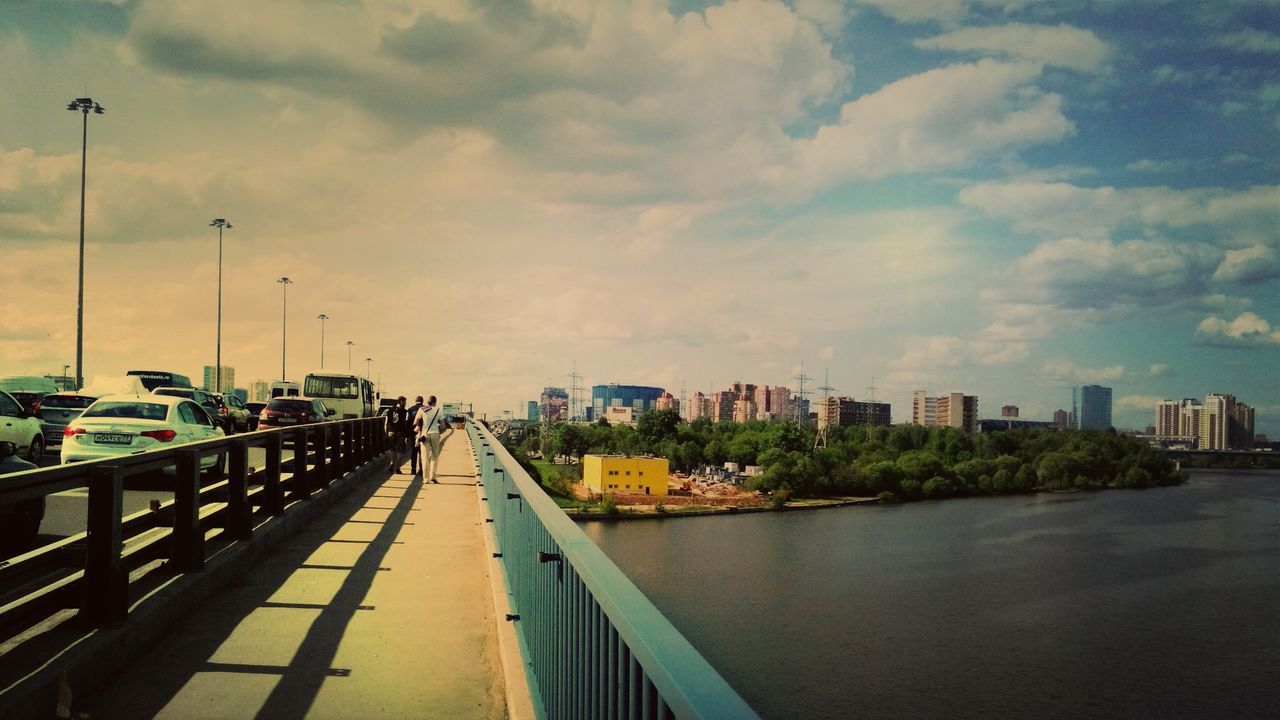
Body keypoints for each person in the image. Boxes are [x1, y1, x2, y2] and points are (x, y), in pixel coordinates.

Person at [413, 395, 446, 482]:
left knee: (425, 457)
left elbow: (415, 422)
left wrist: (421, 428)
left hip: (424, 435)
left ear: (427, 402)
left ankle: (426, 479)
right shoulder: (439, 410)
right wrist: (438, 432)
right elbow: (443, 426)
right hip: (435, 434)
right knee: (435, 456)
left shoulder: (422, 409)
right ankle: (433, 477)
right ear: (435, 402)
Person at [386, 396, 408, 472]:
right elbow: (406, 423)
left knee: (392, 449)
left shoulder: (389, 411)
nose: (405, 403)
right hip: (401, 433)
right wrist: (407, 435)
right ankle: (398, 468)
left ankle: (392, 462)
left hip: (391, 432)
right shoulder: (405, 412)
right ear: (401, 402)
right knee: (400, 451)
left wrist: (386, 432)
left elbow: (386, 423)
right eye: (405, 402)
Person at [405, 395, 424, 475]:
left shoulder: (410, 410)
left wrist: (407, 435)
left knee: (414, 452)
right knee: (421, 452)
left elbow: (407, 423)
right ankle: (421, 469)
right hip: (423, 433)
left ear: (415, 401)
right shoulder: (425, 409)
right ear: (422, 401)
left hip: (413, 433)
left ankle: (413, 470)